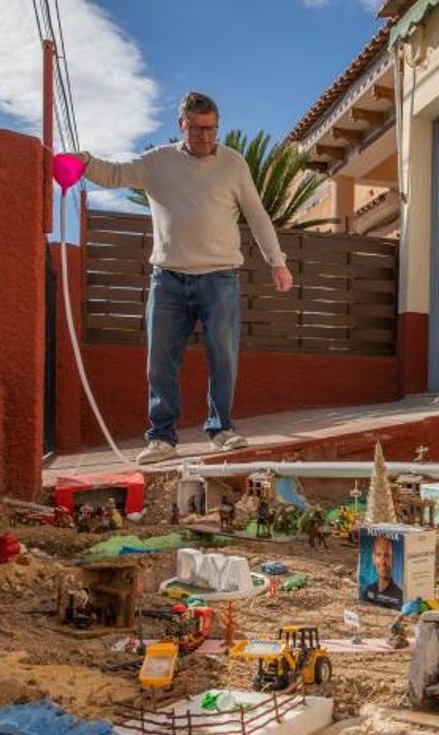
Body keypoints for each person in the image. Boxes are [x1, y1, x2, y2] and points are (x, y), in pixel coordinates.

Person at [75, 92, 294, 465]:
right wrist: (84, 162)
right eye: (197, 129)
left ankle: (221, 429)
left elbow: (257, 215)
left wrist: (278, 261)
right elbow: (114, 174)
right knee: (160, 361)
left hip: (220, 278)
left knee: (223, 357)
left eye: (211, 129)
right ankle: (161, 438)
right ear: (181, 125)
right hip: (168, 280)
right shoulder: (157, 162)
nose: (205, 137)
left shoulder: (233, 163)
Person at [363, 535, 403, 607]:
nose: (383, 562)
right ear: (373, 559)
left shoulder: (400, 596)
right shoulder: (367, 591)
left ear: (392, 559)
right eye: (379, 555)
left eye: (387, 556)